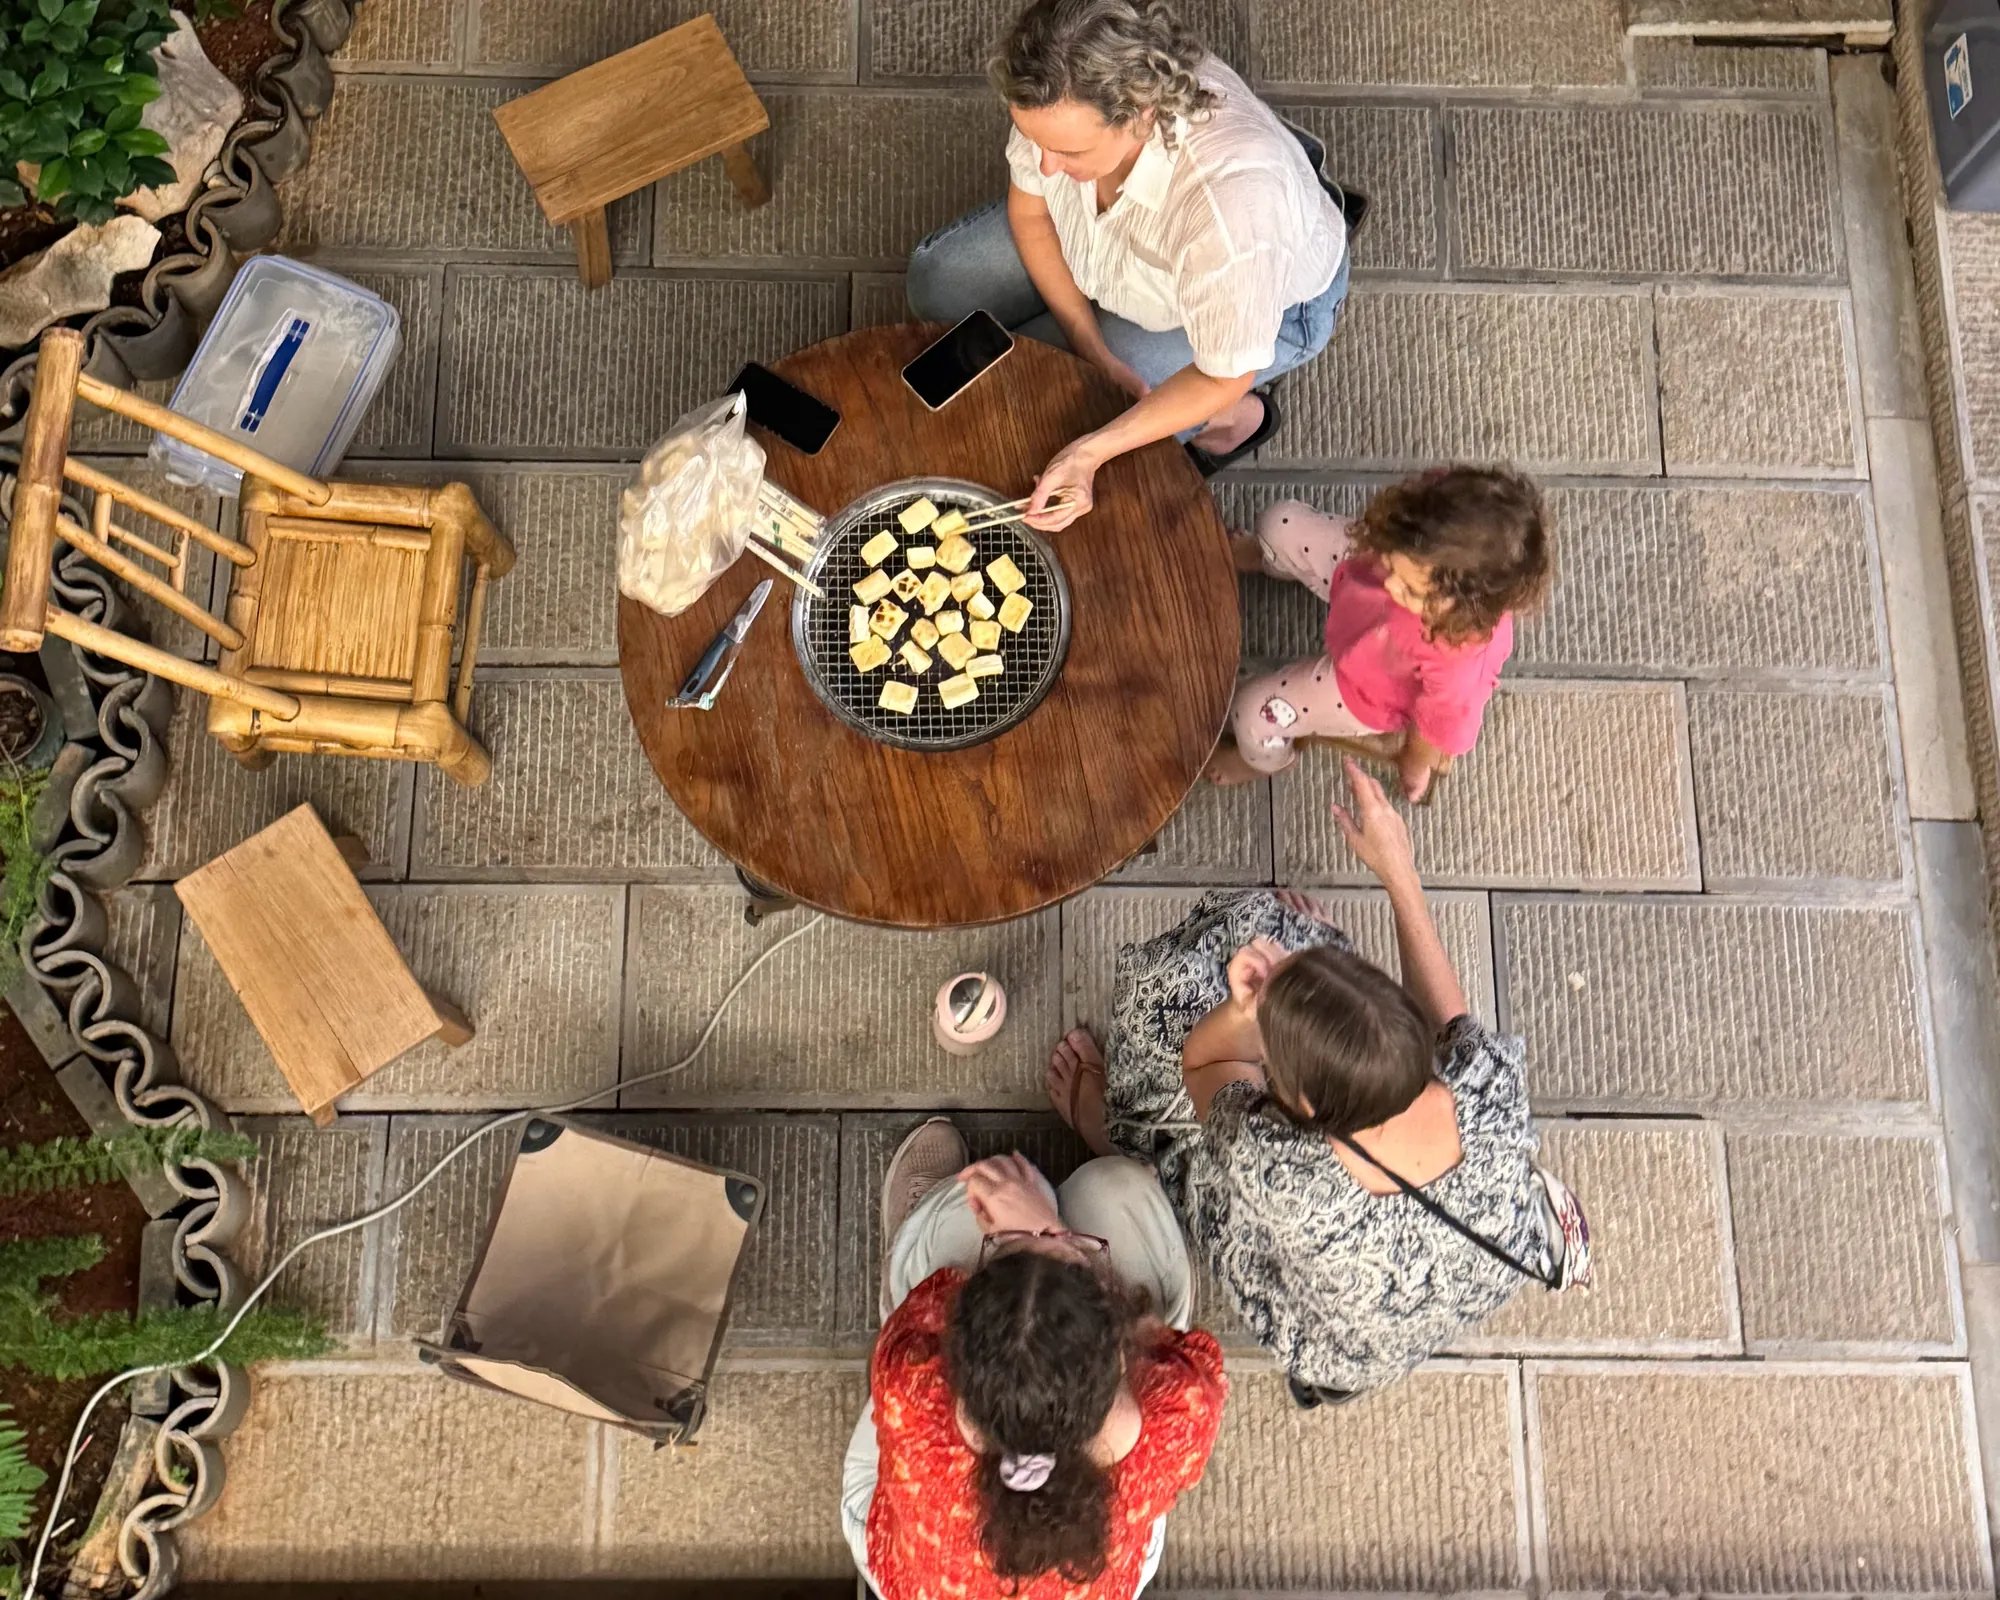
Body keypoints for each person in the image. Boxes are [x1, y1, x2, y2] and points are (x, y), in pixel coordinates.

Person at [1046, 758, 1576, 1403]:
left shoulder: (1280, 1170)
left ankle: (1122, 1134)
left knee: (1171, 1010)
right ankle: (1304, 954)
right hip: (1401, 1319)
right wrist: (1397, 873)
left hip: (1311, 1309)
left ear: (1295, 1106)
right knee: (1283, 937)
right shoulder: (1487, 1089)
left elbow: (1208, 1064)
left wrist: (1245, 1012)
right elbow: (1454, 1024)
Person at [906, 0, 1351, 527]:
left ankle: (1233, 423)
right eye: (1034, 139)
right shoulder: (1055, 91)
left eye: (1069, 152)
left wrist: (1089, 453)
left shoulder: (1228, 213)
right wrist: (1089, 344)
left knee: (1055, 417)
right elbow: (1030, 215)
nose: (1045, 165)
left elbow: (1222, 375)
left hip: (1258, 302)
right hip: (1115, 255)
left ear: (1142, 114)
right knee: (936, 284)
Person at [841, 1119, 1226, 1598]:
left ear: (955, 1360)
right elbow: (1189, 1358)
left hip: (914, 1572)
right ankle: (1046, 1218)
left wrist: (1040, 1235)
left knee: (959, 1224)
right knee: (1112, 1191)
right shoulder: (1174, 1417)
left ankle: (923, 1226)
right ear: (1120, 1356)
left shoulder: (914, 1386)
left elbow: (920, 1311)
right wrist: (1053, 1234)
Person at [1205, 466, 1552, 801]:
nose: (1389, 584)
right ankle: (1268, 559)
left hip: (1364, 689)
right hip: (1353, 582)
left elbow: (1434, 734)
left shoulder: (1457, 669)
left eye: (1411, 591)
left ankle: (1264, 762)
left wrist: (1413, 765)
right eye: (1394, 562)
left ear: (1463, 609)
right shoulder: (1421, 544)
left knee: (1250, 715)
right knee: (1277, 523)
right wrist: (1386, 553)